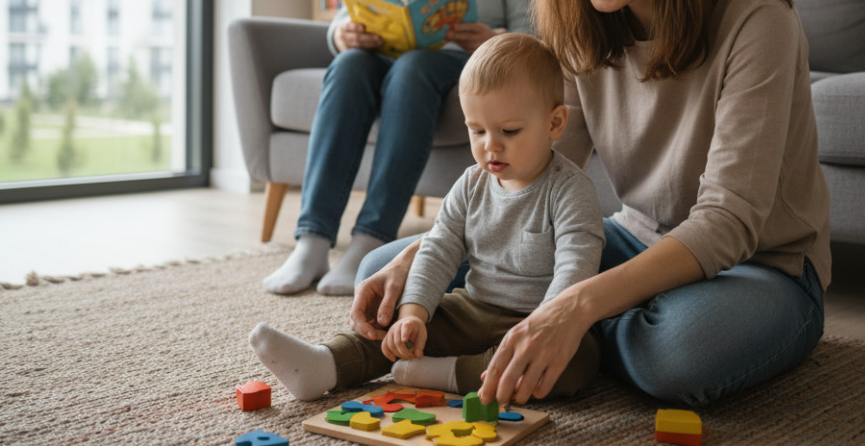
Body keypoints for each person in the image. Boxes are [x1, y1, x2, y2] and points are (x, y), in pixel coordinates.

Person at [348, 0, 832, 409]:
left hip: (761, 267)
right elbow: (536, 166)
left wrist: (574, 305)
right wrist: (416, 257)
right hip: (634, 239)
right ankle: (560, 336)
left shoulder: (758, 21)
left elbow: (729, 222)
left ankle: (552, 334)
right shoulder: (584, 23)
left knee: (676, 354)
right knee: (386, 270)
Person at [249, 33, 605, 400]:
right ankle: (324, 365)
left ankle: (450, 374)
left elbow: (575, 269)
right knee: (395, 330)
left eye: (509, 131)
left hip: (539, 320)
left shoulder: (570, 190)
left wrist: (545, 326)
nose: (490, 145)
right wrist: (414, 314)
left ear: (555, 123)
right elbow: (438, 247)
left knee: (579, 360)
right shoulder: (472, 183)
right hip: (472, 309)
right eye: (477, 130)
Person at [263, 0, 535, 297]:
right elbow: (348, 14)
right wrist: (342, 32)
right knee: (349, 66)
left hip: (453, 68)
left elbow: (532, 40)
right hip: (382, 59)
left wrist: (491, 39)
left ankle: (371, 238)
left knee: (413, 67)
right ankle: (312, 239)